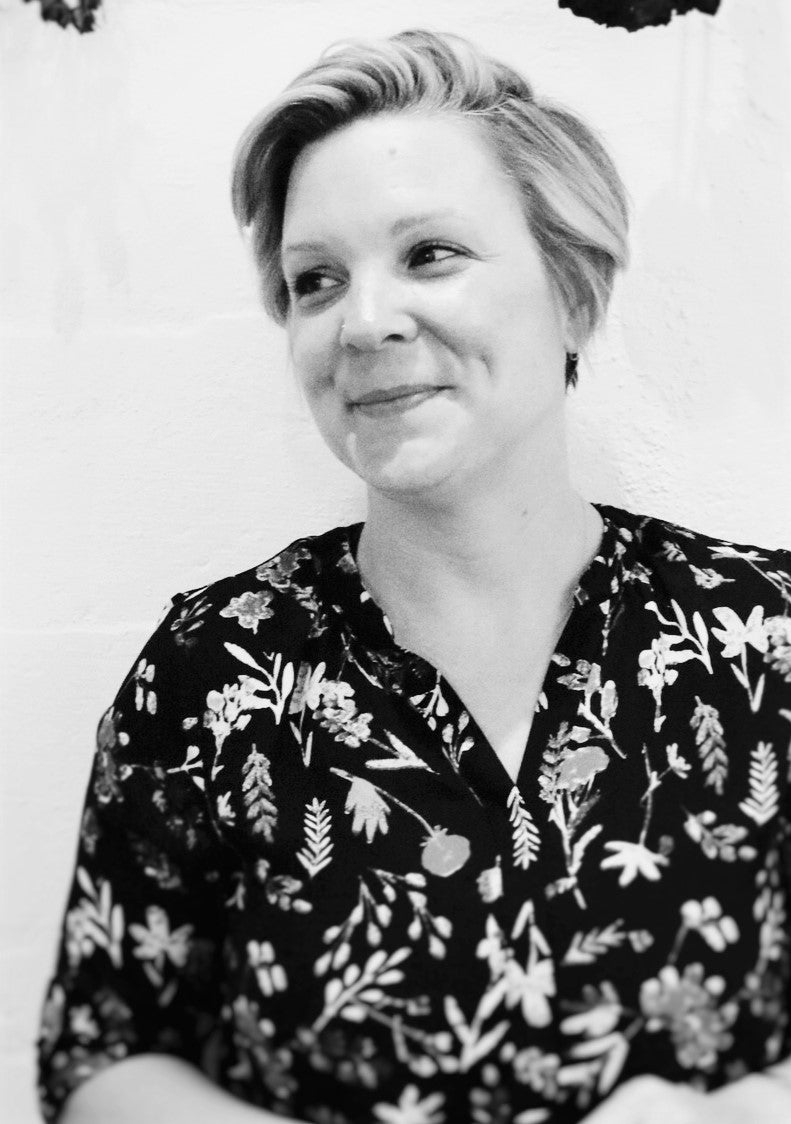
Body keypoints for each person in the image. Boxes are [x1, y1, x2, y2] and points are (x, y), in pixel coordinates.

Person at [36, 28, 791, 1124]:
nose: (363, 320)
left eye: (430, 253)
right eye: (314, 280)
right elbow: (100, 1051)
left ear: (571, 292)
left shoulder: (762, 637)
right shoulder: (214, 670)